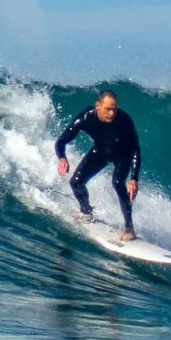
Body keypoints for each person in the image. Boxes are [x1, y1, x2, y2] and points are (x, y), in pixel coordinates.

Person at [56, 90, 142, 240]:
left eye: (114, 109)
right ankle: (86, 212)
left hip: (123, 154)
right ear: (98, 106)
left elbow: (135, 148)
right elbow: (61, 141)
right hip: (101, 151)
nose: (111, 113)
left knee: (118, 183)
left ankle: (129, 228)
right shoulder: (85, 117)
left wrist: (134, 178)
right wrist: (62, 157)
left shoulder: (124, 120)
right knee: (76, 182)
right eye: (108, 109)